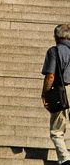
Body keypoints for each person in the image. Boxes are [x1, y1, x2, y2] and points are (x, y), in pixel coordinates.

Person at [42, 24, 70, 164]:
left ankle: (65, 159)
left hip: (63, 91)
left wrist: (45, 94)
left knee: (57, 130)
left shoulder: (54, 51)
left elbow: (50, 76)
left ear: (56, 37)